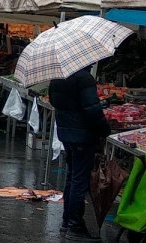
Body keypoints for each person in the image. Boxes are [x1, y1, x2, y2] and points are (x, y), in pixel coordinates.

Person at [49, 67, 110, 242]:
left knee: (72, 177)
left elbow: (54, 101)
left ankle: (67, 221)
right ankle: (75, 225)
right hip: (82, 135)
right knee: (79, 180)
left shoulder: (57, 77)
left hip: (66, 134)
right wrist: (104, 129)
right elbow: (92, 109)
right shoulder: (84, 79)